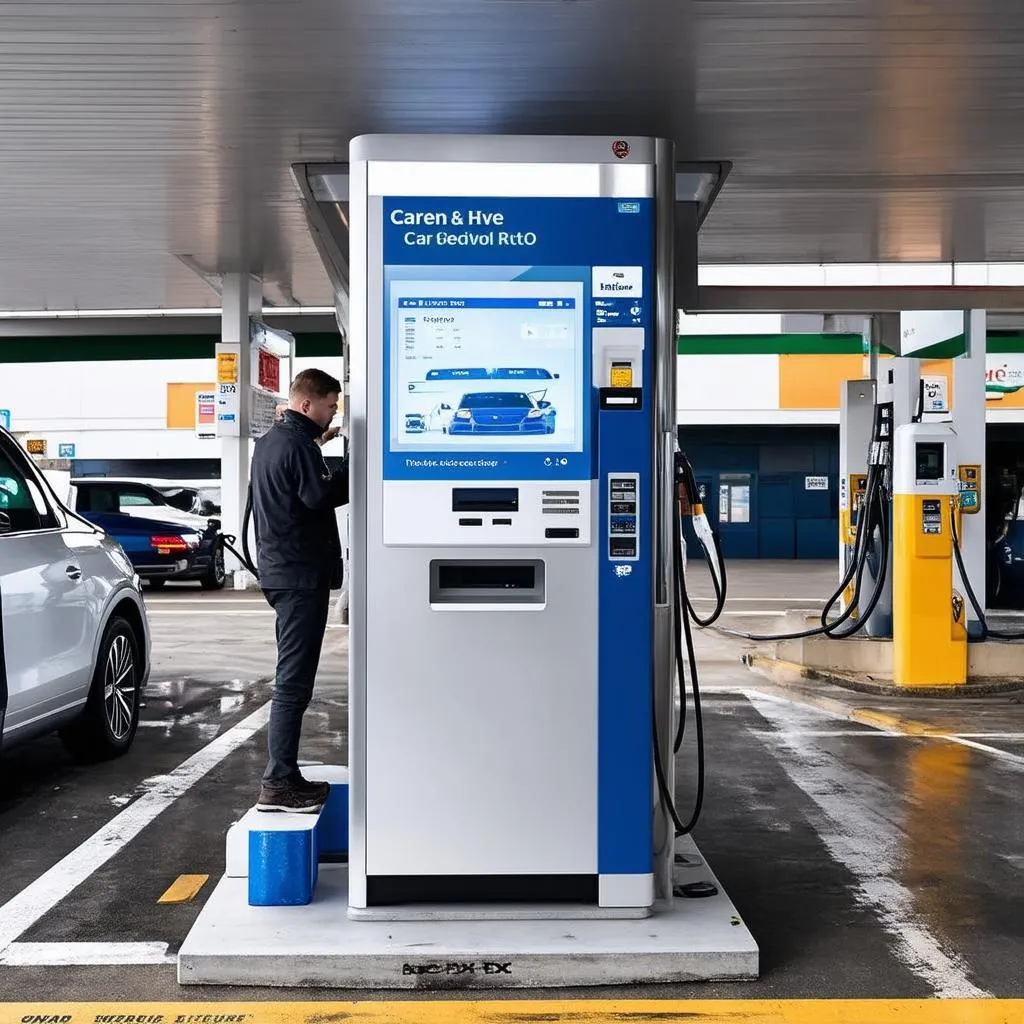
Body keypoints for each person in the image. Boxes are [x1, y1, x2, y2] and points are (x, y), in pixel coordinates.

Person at [250, 368, 349, 811]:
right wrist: (357, 464)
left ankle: (282, 777)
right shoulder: (297, 445)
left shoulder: (272, 442)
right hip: (299, 576)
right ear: (307, 404)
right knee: (293, 683)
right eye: (329, 406)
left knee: (292, 678)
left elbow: (295, 479)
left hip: (279, 572)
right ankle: (279, 783)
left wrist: (322, 448)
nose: (331, 416)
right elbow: (317, 497)